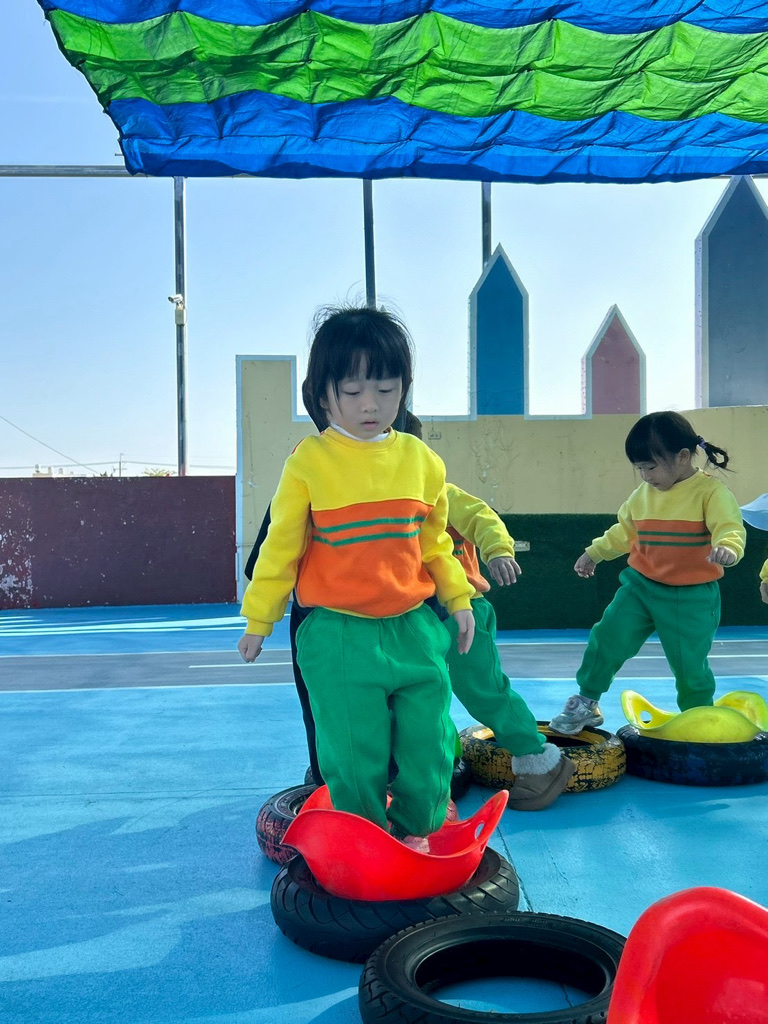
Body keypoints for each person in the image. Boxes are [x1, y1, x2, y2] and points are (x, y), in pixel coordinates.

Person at [238, 305, 475, 850]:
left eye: (386, 389)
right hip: (339, 633)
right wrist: (259, 618)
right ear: (323, 395)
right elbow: (280, 548)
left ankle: (416, 831)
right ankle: (366, 839)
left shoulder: (422, 461)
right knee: (351, 748)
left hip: (413, 628)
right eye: (352, 390)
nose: (371, 404)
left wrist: (459, 599)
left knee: (431, 740)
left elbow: (435, 543)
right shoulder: (309, 462)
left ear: (404, 389)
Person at [550, 411, 746, 736]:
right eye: (639, 468)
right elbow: (623, 533)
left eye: (651, 467)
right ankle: (587, 700)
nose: (645, 475)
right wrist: (594, 552)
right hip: (640, 587)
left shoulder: (710, 493)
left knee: (689, 665)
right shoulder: (641, 496)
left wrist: (728, 546)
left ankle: (699, 719)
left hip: (691, 596)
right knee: (607, 638)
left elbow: (730, 527)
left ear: (682, 456)